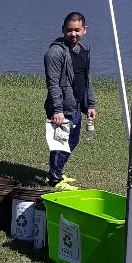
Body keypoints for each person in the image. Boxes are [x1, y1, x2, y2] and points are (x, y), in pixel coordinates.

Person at [44, 11, 96, 190]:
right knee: (59, 142)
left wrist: (90, 104)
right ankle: (55, 179)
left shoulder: (83, 50)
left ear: (84, 30)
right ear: (63, 29)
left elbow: (86, 79)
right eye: (69, 30)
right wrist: (57, 110)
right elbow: (52, 83)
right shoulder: (55, 53)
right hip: (61, 107)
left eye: (77, 30)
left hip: (77, 105)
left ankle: (56, 171)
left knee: (72, 141)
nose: (73, 34)